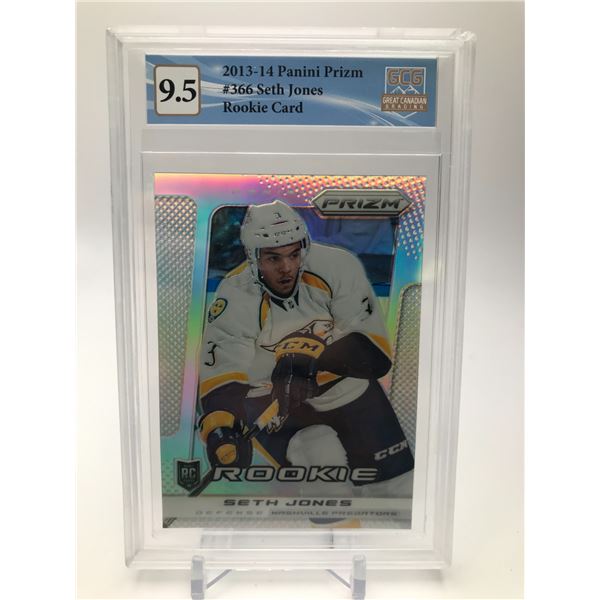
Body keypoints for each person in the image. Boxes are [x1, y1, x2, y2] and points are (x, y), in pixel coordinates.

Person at [197, 200, 413, 498]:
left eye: (293, 254)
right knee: (320, 465)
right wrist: (222, 431)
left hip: (346, 389)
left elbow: (375, 353)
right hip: (272, 398)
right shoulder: (235, 295)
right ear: (253, 257)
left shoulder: (337, 267)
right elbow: (220, 378)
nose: (286, 268)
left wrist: (312, 360)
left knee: (401, 489)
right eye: (273, 258)